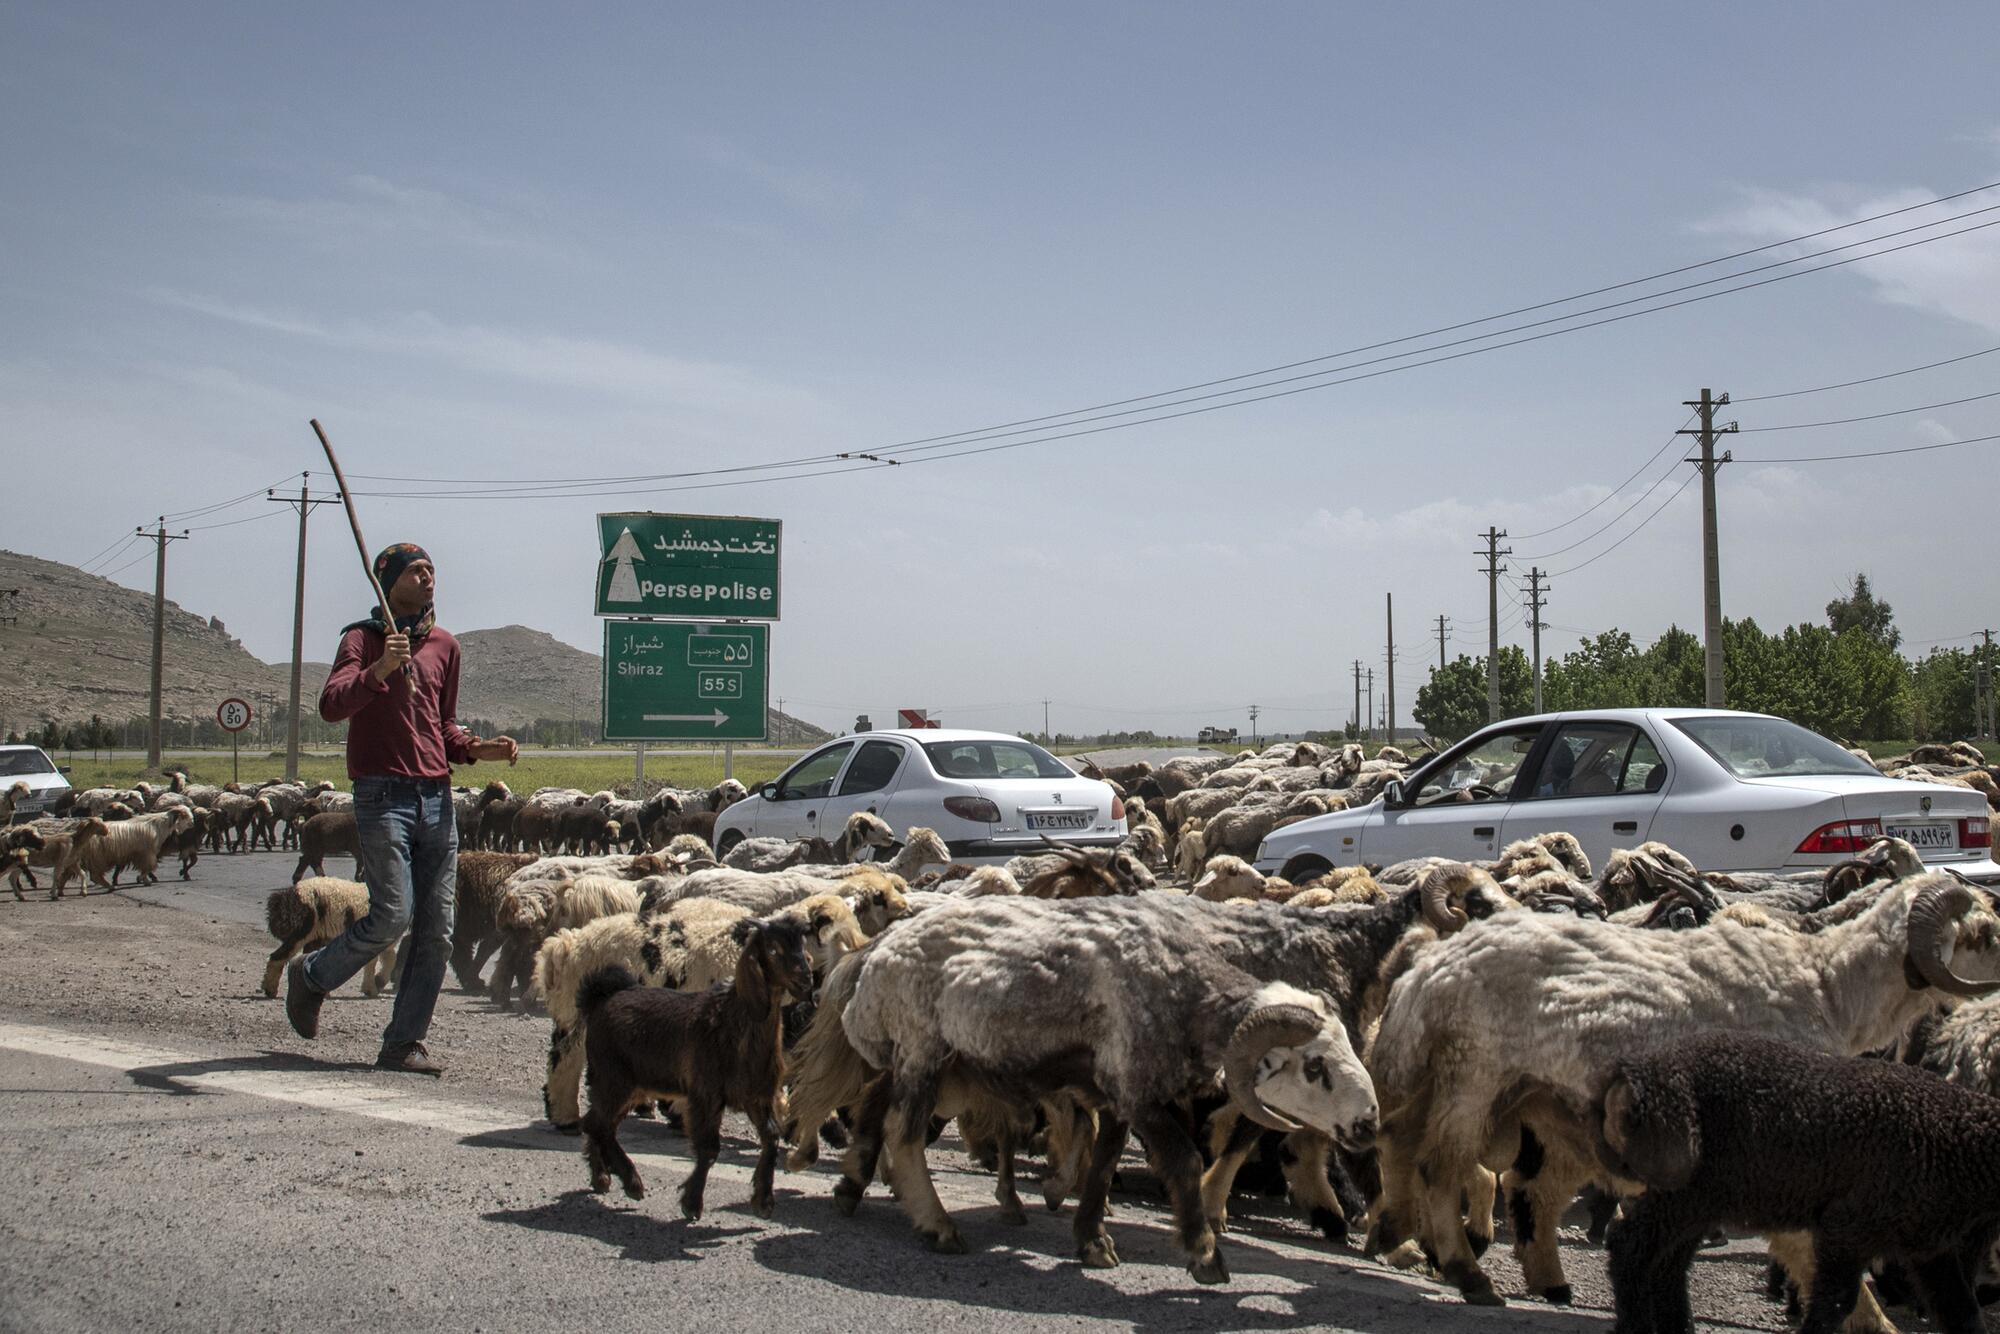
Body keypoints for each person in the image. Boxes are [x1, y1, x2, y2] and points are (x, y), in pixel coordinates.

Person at [285, 542, 518, 1074]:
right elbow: (331, 704)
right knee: (393, 914)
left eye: (433, 568)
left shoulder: (444, 647)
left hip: (437, 798)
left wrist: (477, 749)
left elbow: (445, 725)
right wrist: (381, 668)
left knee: (437, 930)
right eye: (416, 570)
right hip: (382, 794)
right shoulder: (362, 639)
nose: (429, 576)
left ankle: (402, 1044)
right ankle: (312, 975)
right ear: (387, 580)